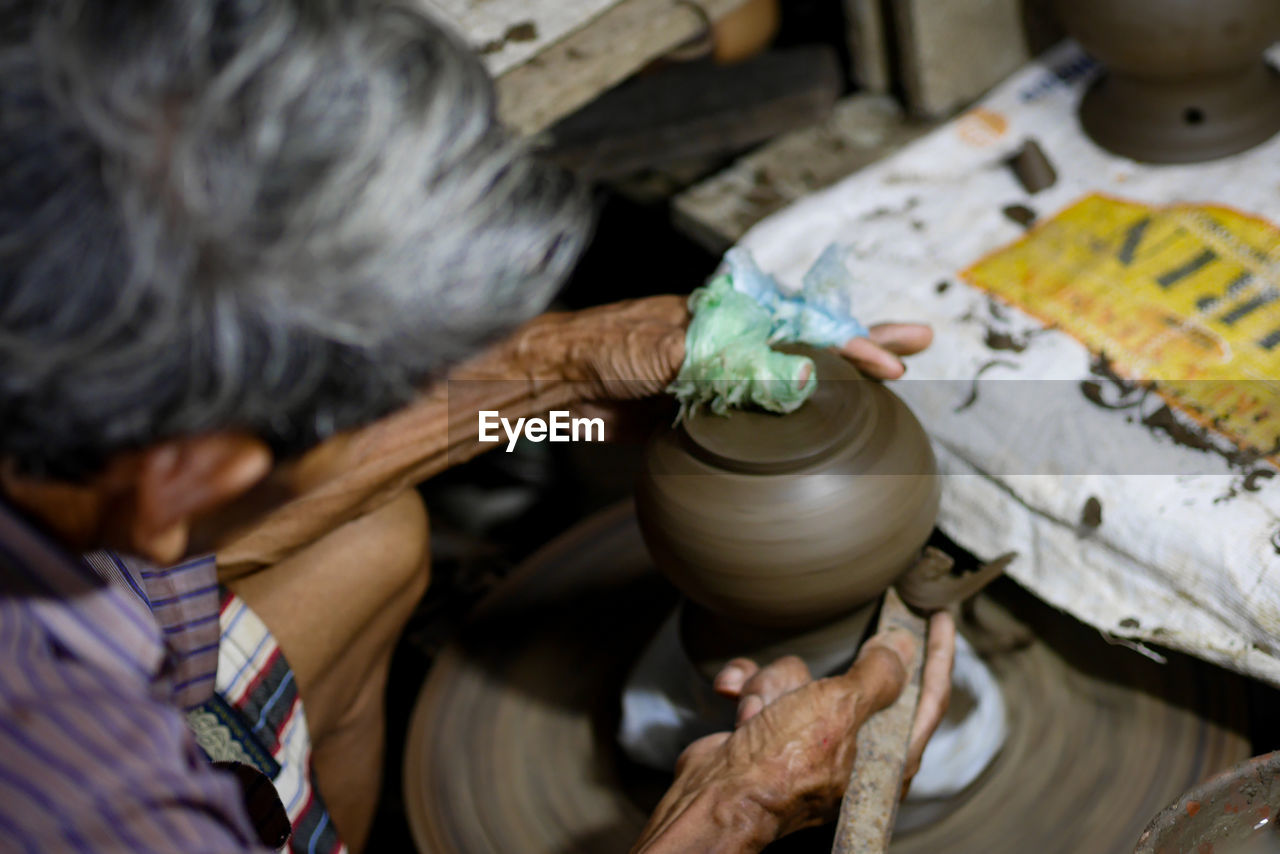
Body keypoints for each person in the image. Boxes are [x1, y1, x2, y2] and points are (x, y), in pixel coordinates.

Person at [0, 1, 955, 852]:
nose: (423, 395)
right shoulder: (110, 807)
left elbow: (159, 549)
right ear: (180, 482)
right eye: (392, 390)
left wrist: (559, 371)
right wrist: (731, 814)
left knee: (369, 535)